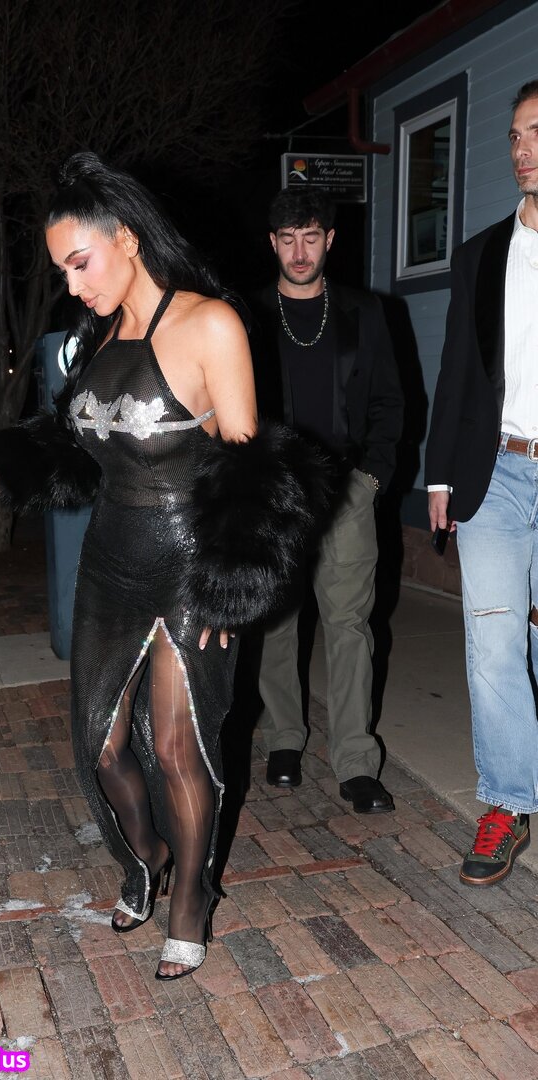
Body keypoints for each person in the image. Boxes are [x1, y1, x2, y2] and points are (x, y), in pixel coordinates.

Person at [0, 153, 330, 978]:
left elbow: (255, 473)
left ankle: (190, 898)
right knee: (99, 744)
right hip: (110, 562)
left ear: (127, 241)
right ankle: (146, 855)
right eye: (62, 270)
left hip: (189, 563)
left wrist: (229, 591)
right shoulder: (96, 338)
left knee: (175, 746)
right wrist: (18, 463)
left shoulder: (210, 324)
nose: (72, 284)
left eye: (80, 263)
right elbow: (80, 447)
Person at [251, 188, 403, 813]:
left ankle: (355, 762)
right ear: (272, 243)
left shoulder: (365, 313)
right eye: (287, 239)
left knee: (349, 625)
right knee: (276, 623)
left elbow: (390, 402)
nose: (299, 252)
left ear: (329, 240)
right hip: (276, 493)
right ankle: (284, 738)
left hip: (345, 490)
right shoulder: (249, 316)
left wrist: (370, 479)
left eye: (310, 237)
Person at [426, 80, 538, 886]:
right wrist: (438, 473)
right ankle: (506, 802)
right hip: (493, 471)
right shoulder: (481, 255)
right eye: (515, 136)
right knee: (494, 643)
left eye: (537, 132)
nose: (522, 149)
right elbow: (456, 372)